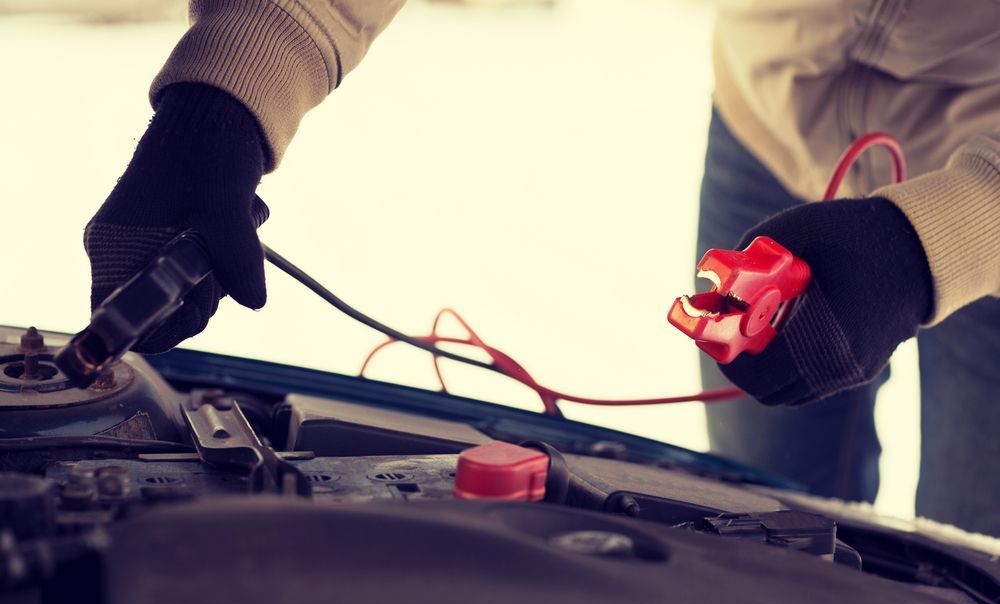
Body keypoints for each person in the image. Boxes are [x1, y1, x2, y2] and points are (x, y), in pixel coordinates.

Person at [84, 1, 1000, 534]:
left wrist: (932, 243)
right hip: (769, 119)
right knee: (772, 521)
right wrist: (226, 95)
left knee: (972, 559)